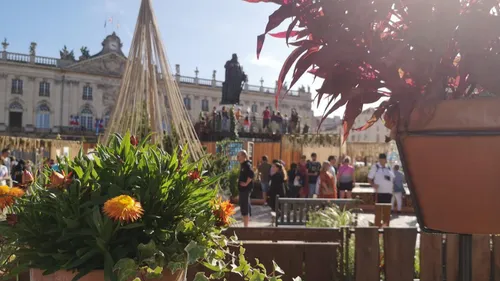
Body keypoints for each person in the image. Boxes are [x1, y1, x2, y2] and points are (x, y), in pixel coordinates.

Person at [237, 150, 254, 227]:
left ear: (244, 156)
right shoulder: (243, 165)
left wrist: (246, 183)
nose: (237, 158)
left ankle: (246, 227)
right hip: (242, 190)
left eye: (239, 156)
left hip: (245, 189)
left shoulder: (247, 165)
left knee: (245, 207)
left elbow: (251, 174)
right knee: (243, 206)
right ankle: (245, 225)